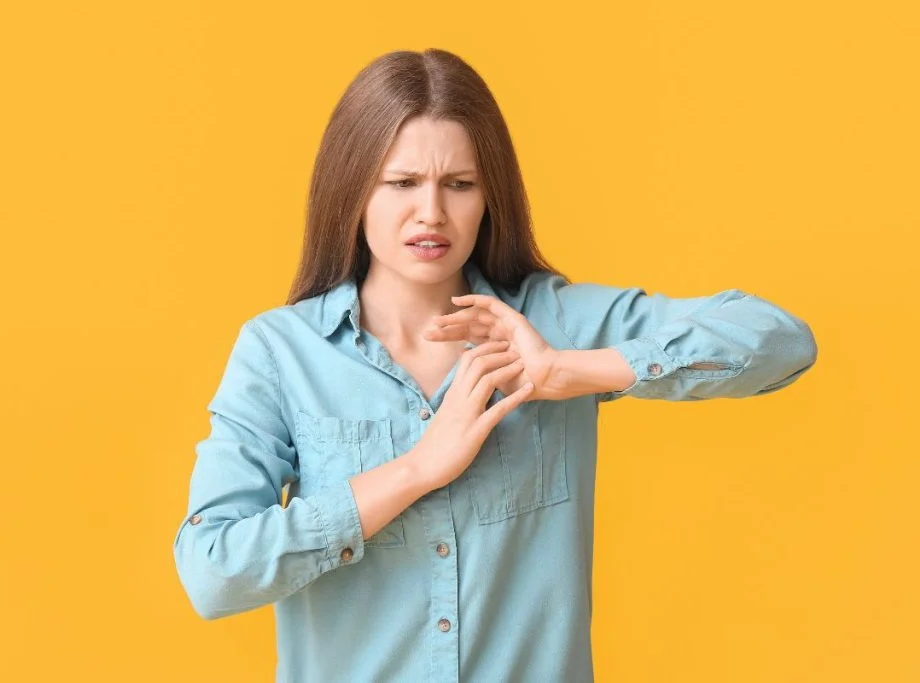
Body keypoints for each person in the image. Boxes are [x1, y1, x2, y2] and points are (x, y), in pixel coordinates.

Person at [172, 48, 818, 683]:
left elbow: (780, 340)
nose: (431, 212)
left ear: (490, 196)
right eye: (401, 183)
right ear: (353, 190)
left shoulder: (555, 323)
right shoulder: (280, 352)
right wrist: (416, 470)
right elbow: (212, 571)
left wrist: (573, 371)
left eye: (459, 184)